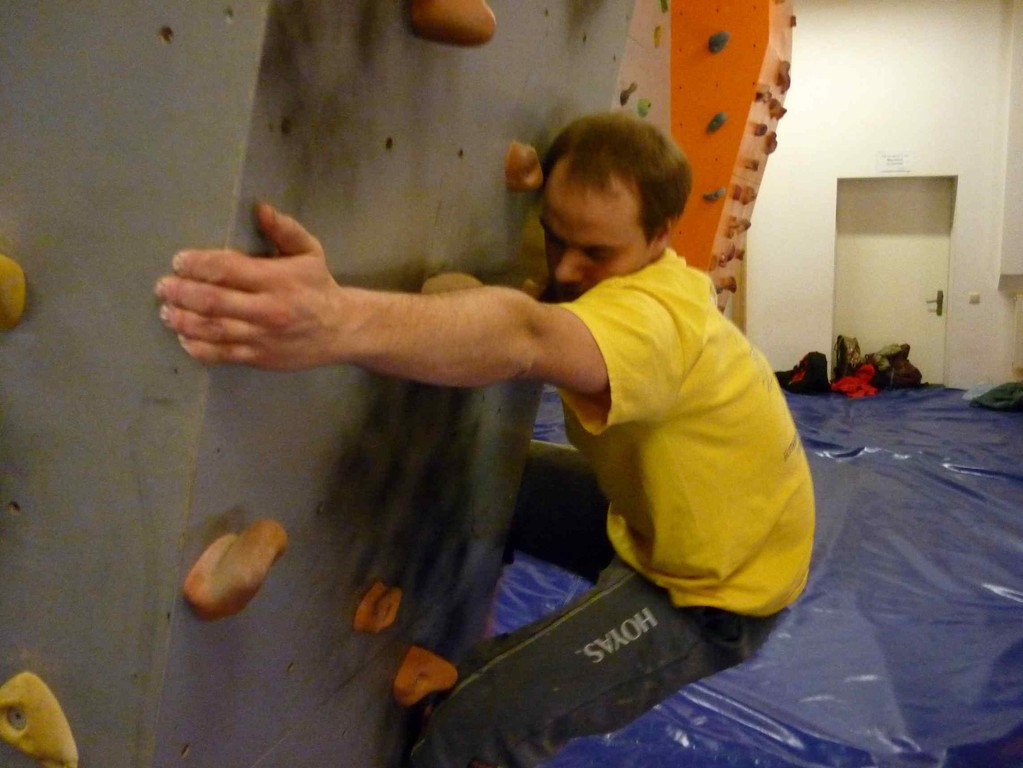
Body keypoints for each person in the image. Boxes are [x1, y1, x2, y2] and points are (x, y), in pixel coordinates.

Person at [155, 112, 815, 768]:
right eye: (556, 239)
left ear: (660, 237)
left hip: (712, 594)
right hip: (674, 517)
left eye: (596, 253)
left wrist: (335, 321)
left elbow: (524, 337)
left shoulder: (654, 321)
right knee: (495, 477)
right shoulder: (611, 267)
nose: (571, 268)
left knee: (477, 715)